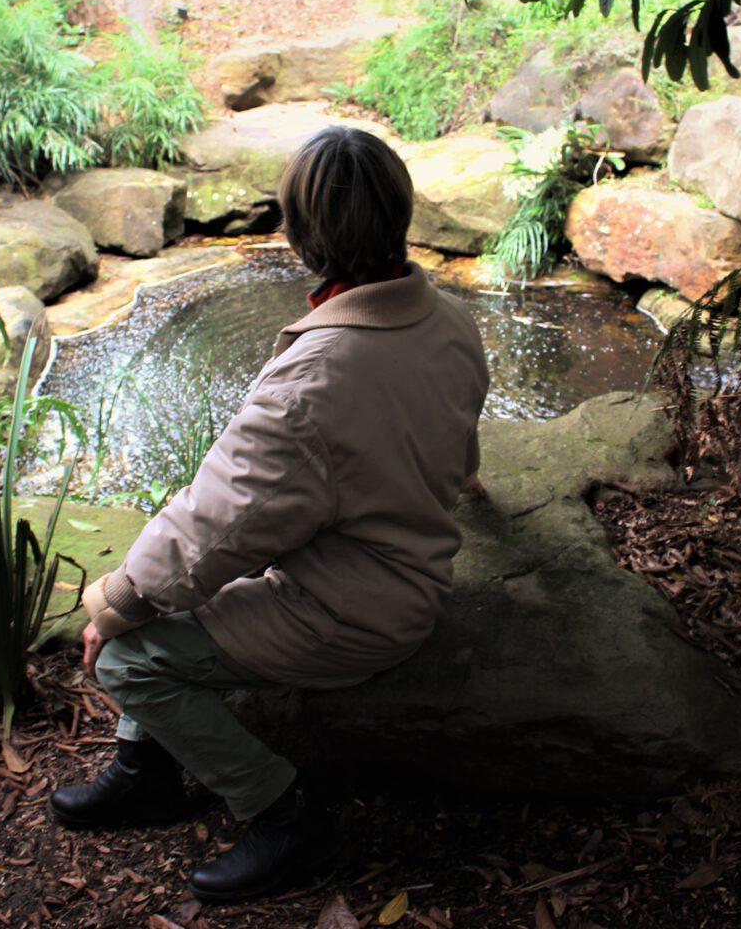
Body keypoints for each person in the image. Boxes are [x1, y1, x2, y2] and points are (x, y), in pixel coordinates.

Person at [51, 126, 490, 904]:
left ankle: (283, 812)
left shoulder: (315, 380)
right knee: (171, 591)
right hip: (385, 568)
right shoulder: (448, 319)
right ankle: (142, 768)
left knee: (127, 657)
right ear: (400, 212)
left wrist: (112, 604)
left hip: (348, 609)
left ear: (299, 236)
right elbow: (456, 438)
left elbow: (214, 531)